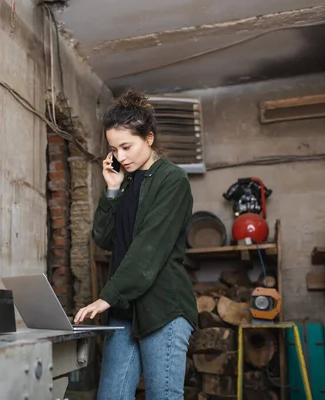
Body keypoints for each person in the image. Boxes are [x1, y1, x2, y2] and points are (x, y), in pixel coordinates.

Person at [73, 89, 198, 400]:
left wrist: (106, 298)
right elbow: (103, 239)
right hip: (125, 310)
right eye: (114, 149)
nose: (120, 157)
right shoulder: (124, 181)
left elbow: (149, 249)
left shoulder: (172, 181)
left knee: (163, 396)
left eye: (127, 146)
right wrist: (112, 191)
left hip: (162, 308)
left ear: (149, 138)